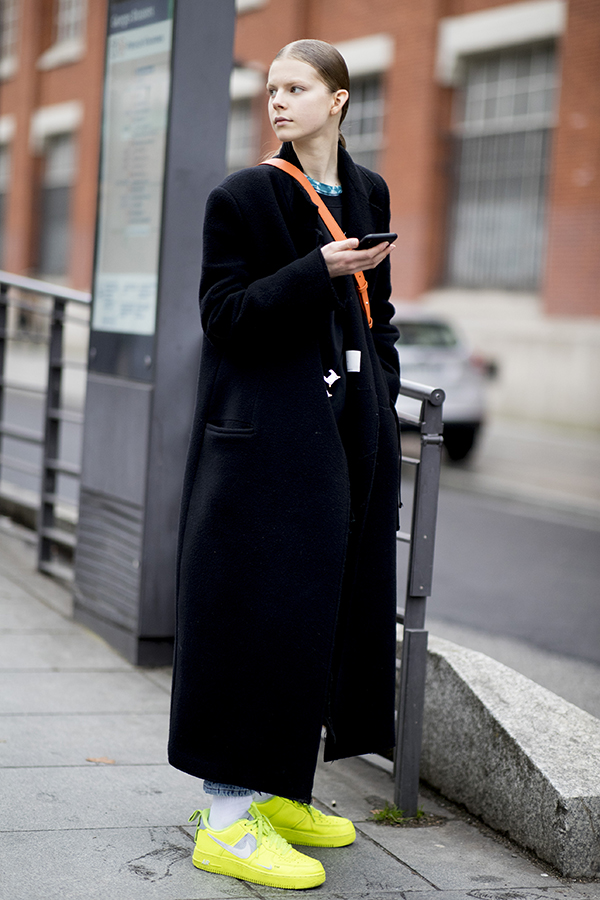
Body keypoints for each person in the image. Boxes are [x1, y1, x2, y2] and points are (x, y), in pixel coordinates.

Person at [168, 39, 400, 891]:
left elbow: (382, 316)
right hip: (261, 445)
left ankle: (279, 789)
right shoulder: (243, 196)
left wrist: (382, 389)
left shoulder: (368, 190)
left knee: (321, 614)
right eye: (270, 90)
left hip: (344, 437)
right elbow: (223, 315)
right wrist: (315, 271)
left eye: (296, 88)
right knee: (252, 612)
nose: (277, 101)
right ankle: (225, 817)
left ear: (337, 100)